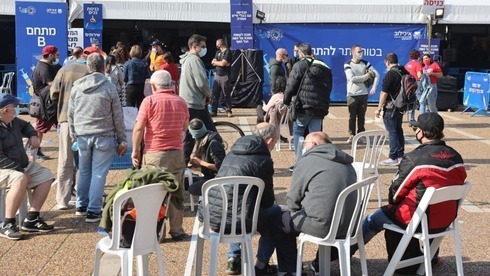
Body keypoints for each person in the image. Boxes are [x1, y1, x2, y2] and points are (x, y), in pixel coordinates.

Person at [355, 113, 467, 266]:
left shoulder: (415, 159)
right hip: (445, 219)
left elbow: (394, 195)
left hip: (418, 220)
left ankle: (344, 252)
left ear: (421, 132)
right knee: (433, 205)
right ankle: (432, 257)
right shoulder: (457, 157)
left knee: (371, 220)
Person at [268, 131, 357, 274]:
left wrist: (296, 210)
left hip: (324, 226)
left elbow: (292, 202)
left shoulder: (308, 161)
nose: (303, 148)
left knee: (279, 220)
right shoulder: (346, 161)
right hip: (349, 226)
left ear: (314, 144)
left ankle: (290, 270)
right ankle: (320, 263)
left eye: (305, 144)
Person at [201, 122, 279, 275]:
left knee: (238, 208)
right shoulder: (263, 160)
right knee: (276, 218)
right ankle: (261, 266)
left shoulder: (232, 152)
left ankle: (233, 259)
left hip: (213, 217)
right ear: (269, 141)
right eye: (275, 142)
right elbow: (267, 200)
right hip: (238, 220)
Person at [131, 70, 190, 241]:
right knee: (176, 190)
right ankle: (177, 229)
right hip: (177, 152)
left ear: (153, 85)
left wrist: (135, 149)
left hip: (154, 152)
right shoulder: (181, 101)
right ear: (171, 84)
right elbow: (185, 127)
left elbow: (139, 128)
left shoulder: (148, 101)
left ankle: (158, 231)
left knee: (154, 192)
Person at [68, 53, 127, 223]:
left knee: (84, 171)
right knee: (99, 173)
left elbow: (71, 114)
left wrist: (73, 134)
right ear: (103, 67)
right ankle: (94, 210)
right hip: (104, 134)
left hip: (82, 135)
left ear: (88, 67)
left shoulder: (76, 87)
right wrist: (122, 139)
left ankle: (81, 205)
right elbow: (118, 116)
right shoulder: (109, 88)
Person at [0, 94, 55, 240]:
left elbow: (27, 125)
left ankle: (32, 217)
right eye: (15, 106)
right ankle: (8, 223)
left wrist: (33, 135)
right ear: (5, 109)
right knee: (20, 178)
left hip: (20, 165)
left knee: (46, 175)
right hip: (4, 169)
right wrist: (20, 170)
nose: (17, 109)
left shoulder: (13, 121)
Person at [50, 46, 99, 210]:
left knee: (65, 160)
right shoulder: (91, 72)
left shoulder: (64, 69)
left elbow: (53, 93)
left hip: (65, 119)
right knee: (87, 162)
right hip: (87, 121)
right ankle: (85, 199)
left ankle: (62, 199)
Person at [283, 43, 332, 164]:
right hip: (319, 107)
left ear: (301, 53)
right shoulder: (324, 66)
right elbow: (329, 86)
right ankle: (315, 162)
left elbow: (291, 85)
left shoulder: (299, 64)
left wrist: (286, 101)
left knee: (298, 132)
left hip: (303, 106)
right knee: (315, 135)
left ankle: (300, 162)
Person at [179, 34, 217, 164]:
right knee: (203, 134)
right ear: (194, 47)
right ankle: (186, 163)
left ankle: (194, 160)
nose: (205, 49)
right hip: (195, 102)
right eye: (203, 46)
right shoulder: (194, 60)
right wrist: (209, 94)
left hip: (189, 101)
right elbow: (201, 82)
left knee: (196, 134)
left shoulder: (186, 60)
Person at [376, 53, 408, 166]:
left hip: (391, 107)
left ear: (388, 62)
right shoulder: (403, 70)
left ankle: (393, 156)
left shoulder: (390, 74)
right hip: (401, 106)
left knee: (392, 132)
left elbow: (384, 93)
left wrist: (379, 108)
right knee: (399, 129)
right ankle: (400, 155)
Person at [344, 44, 380, 143]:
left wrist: (374, 87)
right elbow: (352, 78)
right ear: (353, 53)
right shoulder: (347, 64)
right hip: (352, 94)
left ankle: (361, 135)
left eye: (361, 51)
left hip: (363, 94)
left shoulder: (366, 63)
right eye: (359, 51)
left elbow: (377, 74)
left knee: (361, 116)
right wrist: (367, 76)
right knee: (352, 116)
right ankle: (352, 135)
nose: (361, 53)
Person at [32, 45, 61, 159]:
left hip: (51, 102)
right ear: (50, 55)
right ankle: (35, 151)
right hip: (45, 104)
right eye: (56, 55)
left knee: (61, 124)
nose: (58, 57)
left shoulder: (50, 65)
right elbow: (52, 84)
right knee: (40, 128)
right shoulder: (43, 67)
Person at [187, 118, 226, 196]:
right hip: (207, 175)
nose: (191, 136)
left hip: (216, 178)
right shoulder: (204, 139)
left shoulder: (214, 144)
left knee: (192, 189)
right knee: (185, 182)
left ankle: (207, 198)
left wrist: (201, 162)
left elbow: (220, 167)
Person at [210, 38, 233, 117]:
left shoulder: (228, 52)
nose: (216, 45)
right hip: (217, 76)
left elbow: (223, 63)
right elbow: (213, 62)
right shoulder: (218, 52)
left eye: (217, 43)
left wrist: (217, 63)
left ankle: (229, 110)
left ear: (220, 44)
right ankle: (213, 111)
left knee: (226, 94)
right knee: (215, 94)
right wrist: (218, 63)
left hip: (225, 76)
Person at [405, 49, 423, 121]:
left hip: (408, 84)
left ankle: (411, 118)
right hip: (416, 83)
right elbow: (419, 76)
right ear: (418, 56)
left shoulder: (407, 64)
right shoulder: (417, 64)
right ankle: (419, 118)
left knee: (410, 101)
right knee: (421, 101)